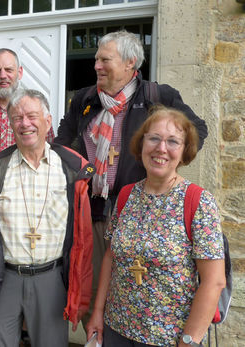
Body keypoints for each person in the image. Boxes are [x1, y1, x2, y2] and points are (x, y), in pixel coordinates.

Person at [54, 30, 208, 323]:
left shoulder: (157, 96)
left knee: (138, 290)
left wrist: (163, 170)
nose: (97, 65)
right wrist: (85, 170)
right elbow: (61, 146)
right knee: (96, 285)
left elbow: (196, 130)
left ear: (130, 63)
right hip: (94, 211)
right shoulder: (85, 100)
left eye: (105, 59)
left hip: (141, 211)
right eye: (96, 59)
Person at [0, 88, 94, 347]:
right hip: (2, 278)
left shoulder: (71, 170)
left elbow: (84, 241)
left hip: (51, 279)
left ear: (48, 121)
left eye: (32, 116)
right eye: (18, 118)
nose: (25, 124)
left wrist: (81, 298)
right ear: (10, 124)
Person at [86, 106, 225, 347]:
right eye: (154, 138)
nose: (161, 148)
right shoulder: (126, 196)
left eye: (173, 141)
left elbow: (214, 282)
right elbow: (111, 257)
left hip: (170, 338)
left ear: (184, 152)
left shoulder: (199, 202)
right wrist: (98, 312)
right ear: (141, 145)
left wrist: (189, 341)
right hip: (117, 329)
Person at [0, 48, 54, 160]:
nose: (3, 75)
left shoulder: (38, 109)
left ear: (19, 73)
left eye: (8, 70)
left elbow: (50, 151)